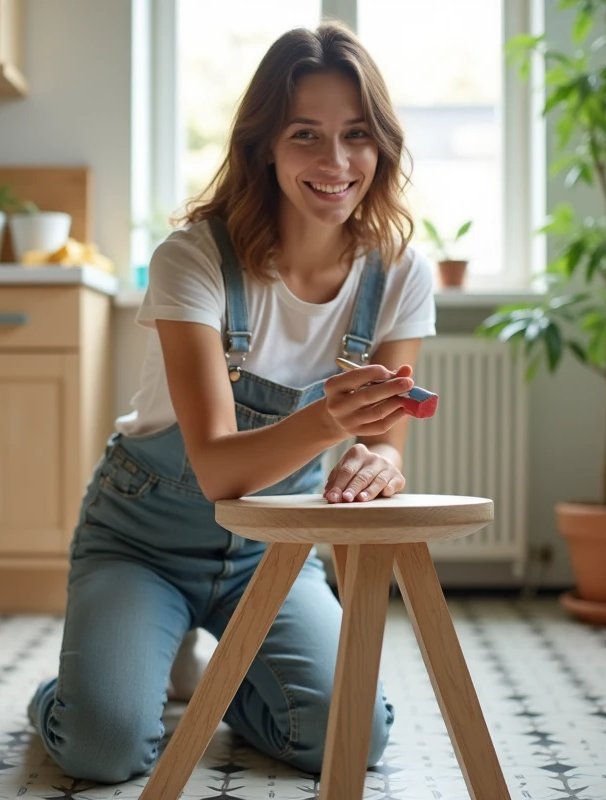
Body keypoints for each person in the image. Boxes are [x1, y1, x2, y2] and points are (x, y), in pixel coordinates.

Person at [27, 18, 436, 784]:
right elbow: (216, 466)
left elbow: (384, 442)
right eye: (305, 135)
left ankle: (205, 674)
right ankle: (83, 690)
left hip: (271, 550)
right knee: (103, 747)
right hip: (143, 540)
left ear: (381, 144)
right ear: (265, 148)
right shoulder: (193, 261)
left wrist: (377, 461)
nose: (336, 162)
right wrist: (331, 420)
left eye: (356, 134)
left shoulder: (400, 273)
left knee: (351, 733)